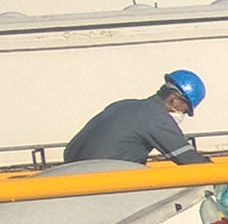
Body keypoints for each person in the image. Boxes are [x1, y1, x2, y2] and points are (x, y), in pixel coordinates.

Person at [64, 69, 211, 167]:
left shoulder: (123, 105)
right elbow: (189, 160)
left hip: (69, 175)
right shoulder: (157, 118)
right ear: (174, 99)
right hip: (103, 185)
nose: (182, 115)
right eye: (184, 111)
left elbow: (71, 151)